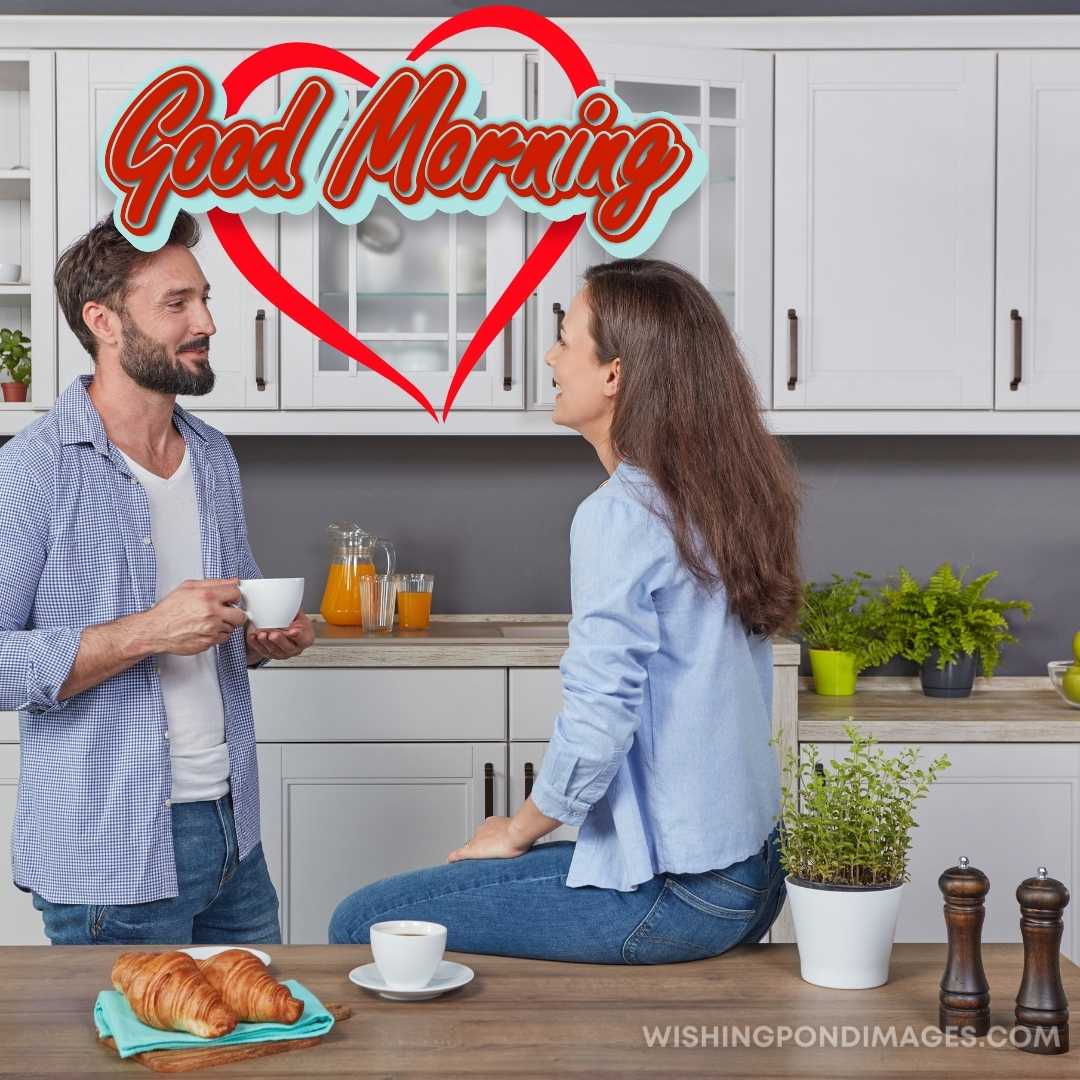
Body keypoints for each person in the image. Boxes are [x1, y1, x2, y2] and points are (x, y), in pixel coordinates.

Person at [329, 259, 802, 963]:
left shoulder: (622, 513)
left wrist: (518, 830)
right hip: (754, 875)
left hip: (679, 893)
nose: (550, 357)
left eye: (563, 338)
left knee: (363, 923)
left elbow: (599, 716)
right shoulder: (724, 499)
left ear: (614, 373)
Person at [0, 210, 315, 945]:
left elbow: (222, 620)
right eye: (177, 303)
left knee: (268, 1020)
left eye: (203, 298)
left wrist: (261, 639)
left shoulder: (212, 456)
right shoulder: (32, 470)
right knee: (136, 1028)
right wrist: (148, 632)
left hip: (235, 836)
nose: (206, 322)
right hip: (111, 850)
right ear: (103, 321)